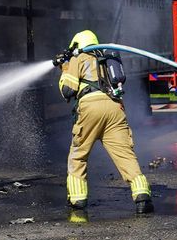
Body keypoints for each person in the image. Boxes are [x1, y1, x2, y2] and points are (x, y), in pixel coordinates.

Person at [57, 30, 153, 214]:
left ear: (77, 45)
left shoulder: (80, 58)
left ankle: (77, 199)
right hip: (115, 109)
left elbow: (68, 91)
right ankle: (142, 194)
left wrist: (65, 68)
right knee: (125, 155)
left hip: (90, 107)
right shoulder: (107, 58)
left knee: (78, 154)